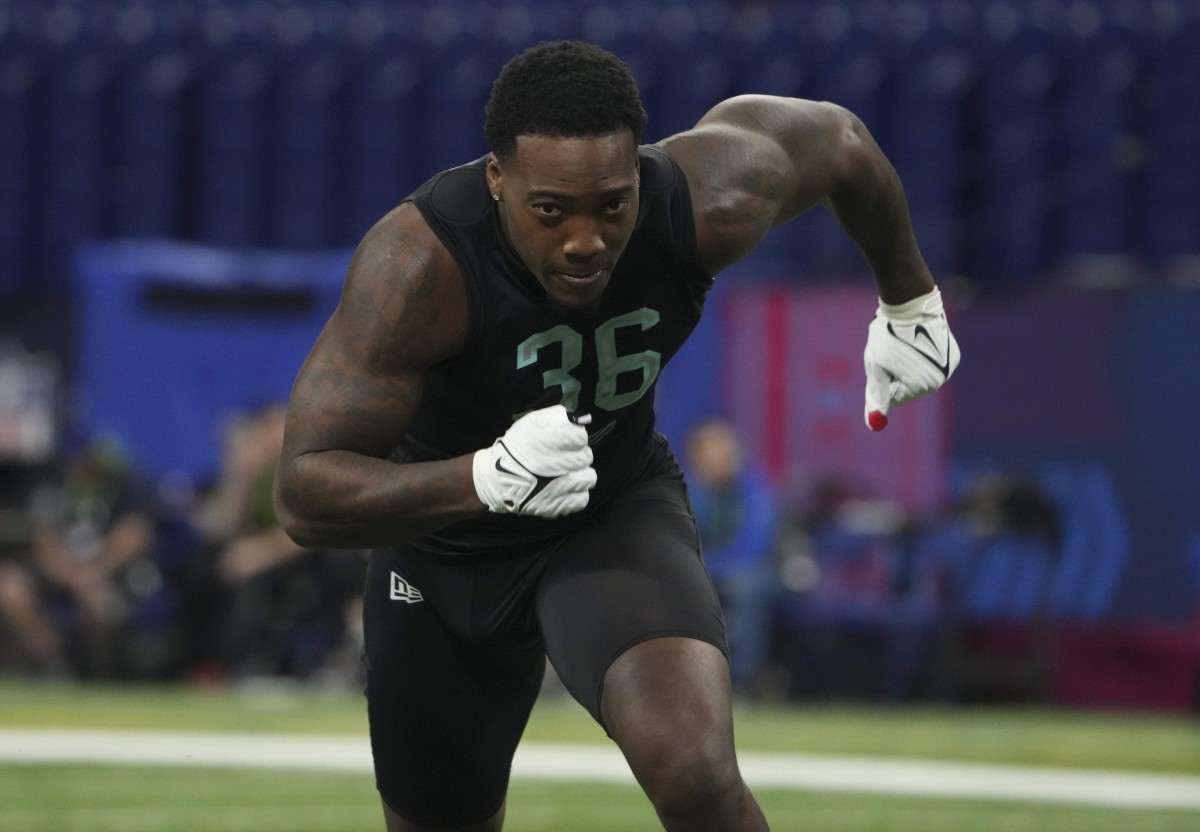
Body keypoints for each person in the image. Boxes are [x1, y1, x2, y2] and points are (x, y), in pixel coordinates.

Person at [274, 40, 960, 832]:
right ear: (498, 182)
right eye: (551, 211)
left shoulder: (708, 201)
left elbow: (841, 141)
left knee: (696, 775)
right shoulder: (420, 265)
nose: (585, 241)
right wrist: (482, 479)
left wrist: (911, 300)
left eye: (611, 205)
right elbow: (305, 492)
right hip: (443, 551)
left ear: (640, 174)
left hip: (606, 513)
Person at [685, 419, 780, 697]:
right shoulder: (687, 492)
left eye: (726, 453)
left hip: (751, 573)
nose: (720, 461)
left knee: (749, 589)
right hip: (702, 573)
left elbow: (755, 547)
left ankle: (740, 683)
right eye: (711, 454)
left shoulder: (756, 490)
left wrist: (709, 568)